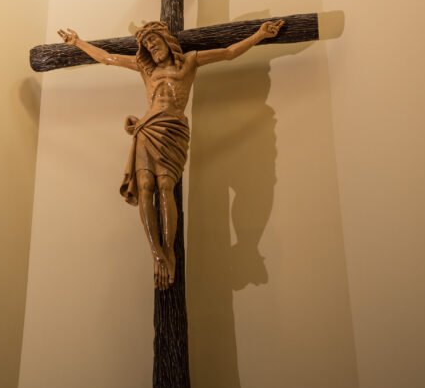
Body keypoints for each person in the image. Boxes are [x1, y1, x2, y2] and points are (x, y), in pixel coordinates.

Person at [57, 17, 283, 290]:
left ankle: (170, 251)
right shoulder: (144, 68)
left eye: (155, 41)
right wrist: (77, 42)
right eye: (148, 46)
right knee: (145, 186)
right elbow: (108, 58)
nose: (152, 48)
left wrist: (259, 34)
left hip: (173, 129)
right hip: (147, 129)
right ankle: (157, 254)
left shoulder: (189, 62)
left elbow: (228, 53)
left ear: (166, 40)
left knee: (165, 186)